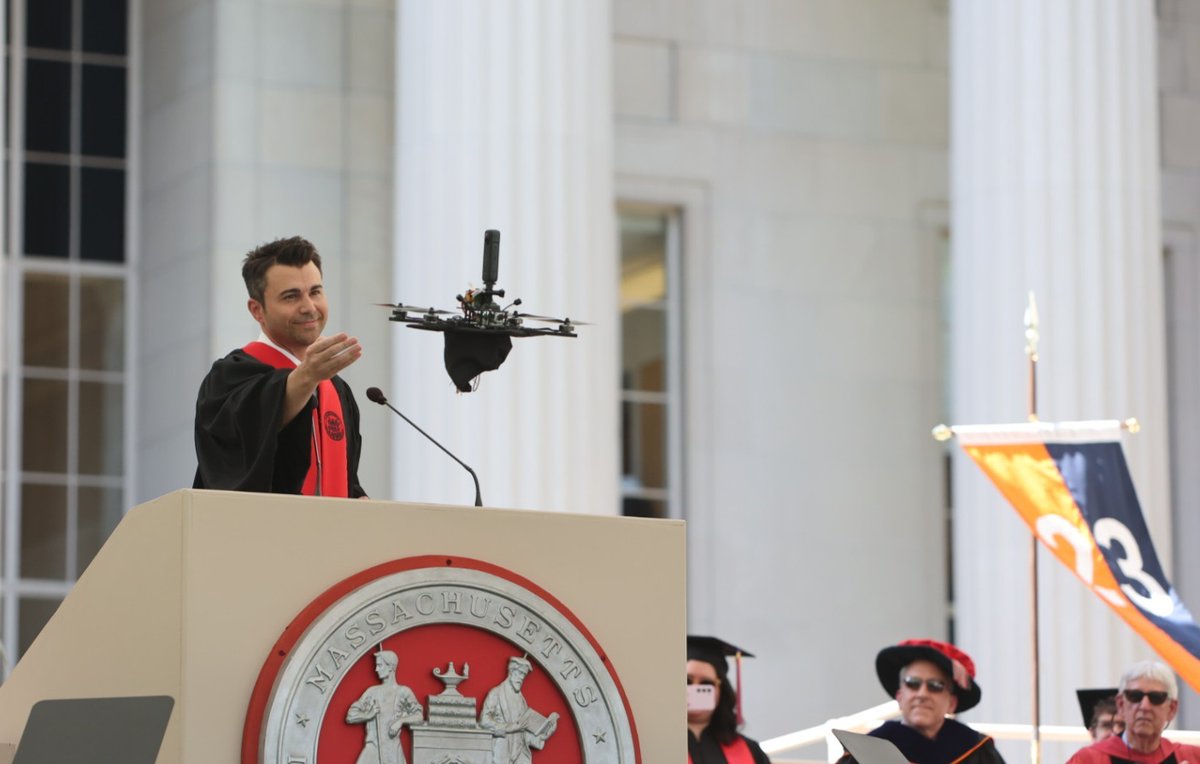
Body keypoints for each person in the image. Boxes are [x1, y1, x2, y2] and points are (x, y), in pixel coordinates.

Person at [193, 236, 367, 497]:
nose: (309, 307)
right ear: (257, 310)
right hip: (262, 534)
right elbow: (235, 460)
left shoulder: (336, 388)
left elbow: (345, 482)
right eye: (291, 296)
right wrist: (307, 376)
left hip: (333, 534)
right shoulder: (229, 378)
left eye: (315, 292)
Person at [839, 638, 1004, 764]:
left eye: (935, 685)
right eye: (912, 684)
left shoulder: (976, 751)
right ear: (899, 696)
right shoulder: (866, 753)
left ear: (952, 703)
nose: (922, 694)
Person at [1066, 661, 1200, 763]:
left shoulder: (1191, 758)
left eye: (1156, 698)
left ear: (1171, 709)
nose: (1145, 706)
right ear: (1121, 704)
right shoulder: (1088, 760)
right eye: (1135, 696)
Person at [686, 635, 771, 764]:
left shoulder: (750, 750)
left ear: (721, 689)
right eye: (687, 681)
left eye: (706, 684)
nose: (695, 688)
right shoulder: (654, 745)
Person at [346, 649, 424, 764]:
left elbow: (419, 716)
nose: (376, 669)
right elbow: (350, 716)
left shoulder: (403, 692)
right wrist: (368, 715)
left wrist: (400, 721)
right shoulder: (371, 692)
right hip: (373, 748)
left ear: (390, 667)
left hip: (393, 750)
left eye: (380, 665)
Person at [480, 655, 559, 764]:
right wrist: (508, 728)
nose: (522, 678)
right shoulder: (496, 693)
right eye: (520, 673)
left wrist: (544, 733)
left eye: (524, 675)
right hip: (502, 752)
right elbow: (484, 721)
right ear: (511, 671)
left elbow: (523, 731)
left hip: (520, 754)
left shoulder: (521, 700)